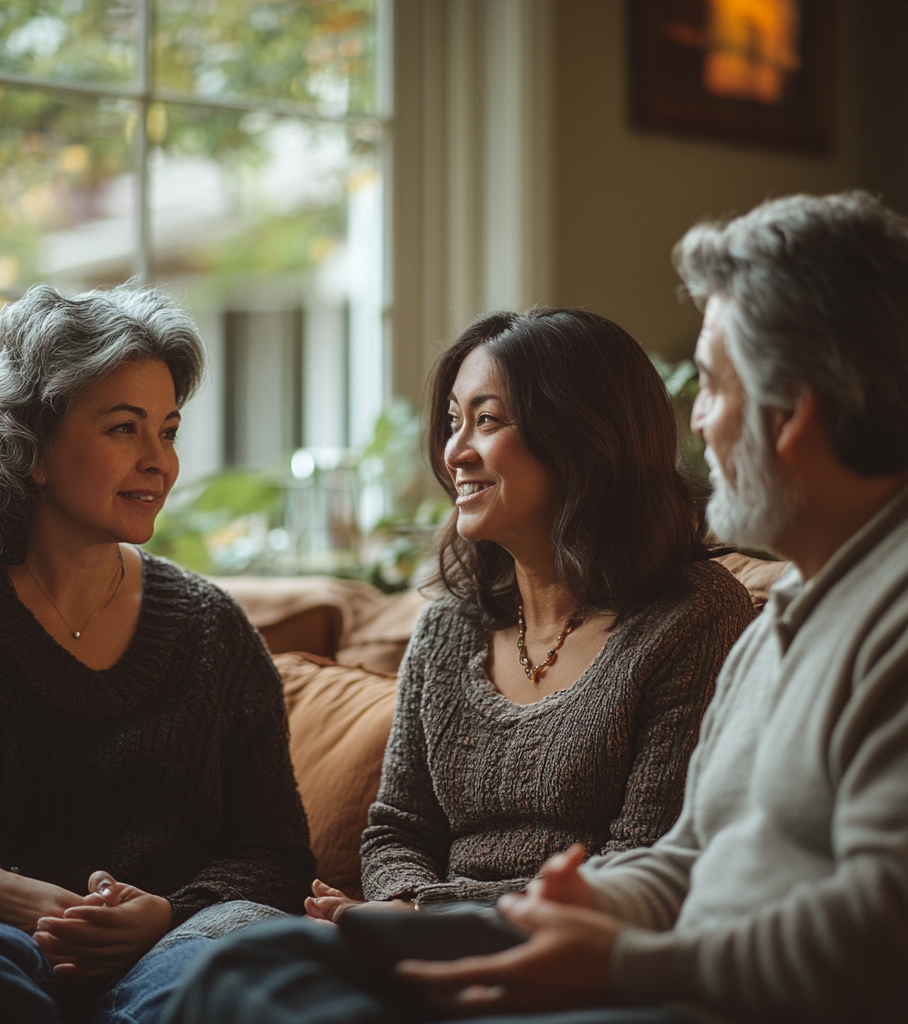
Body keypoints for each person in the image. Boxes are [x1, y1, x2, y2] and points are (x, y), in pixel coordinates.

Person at [159, 191, 908, 1024]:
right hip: (614, 955)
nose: (696, 426)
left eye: (715, 389)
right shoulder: (794, 612)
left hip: (681, 993)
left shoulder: (833, 621)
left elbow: (881, 935)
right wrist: (575, 911)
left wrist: (619, 959)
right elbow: (687, 855)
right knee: (249, 964)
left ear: (795, 410)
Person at [158, 306, 752, 1022]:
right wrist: (403, 910)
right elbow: (396, 829)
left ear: (582, 436)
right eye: (452, 422)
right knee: (231, 959)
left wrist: (424, 915)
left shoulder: (695, 617)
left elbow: (645, 862)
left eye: (488, 421)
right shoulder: (447, 625)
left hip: (565, 958)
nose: (454, 452)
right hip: (418, 937)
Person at [0, 283, 316, 1024]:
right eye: (124, 429)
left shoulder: (214, 631)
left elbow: (273, 850)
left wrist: (167, 913)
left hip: (167, 957)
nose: (160, 462)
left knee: (249, 958)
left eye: (169, 430)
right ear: (31, 447)